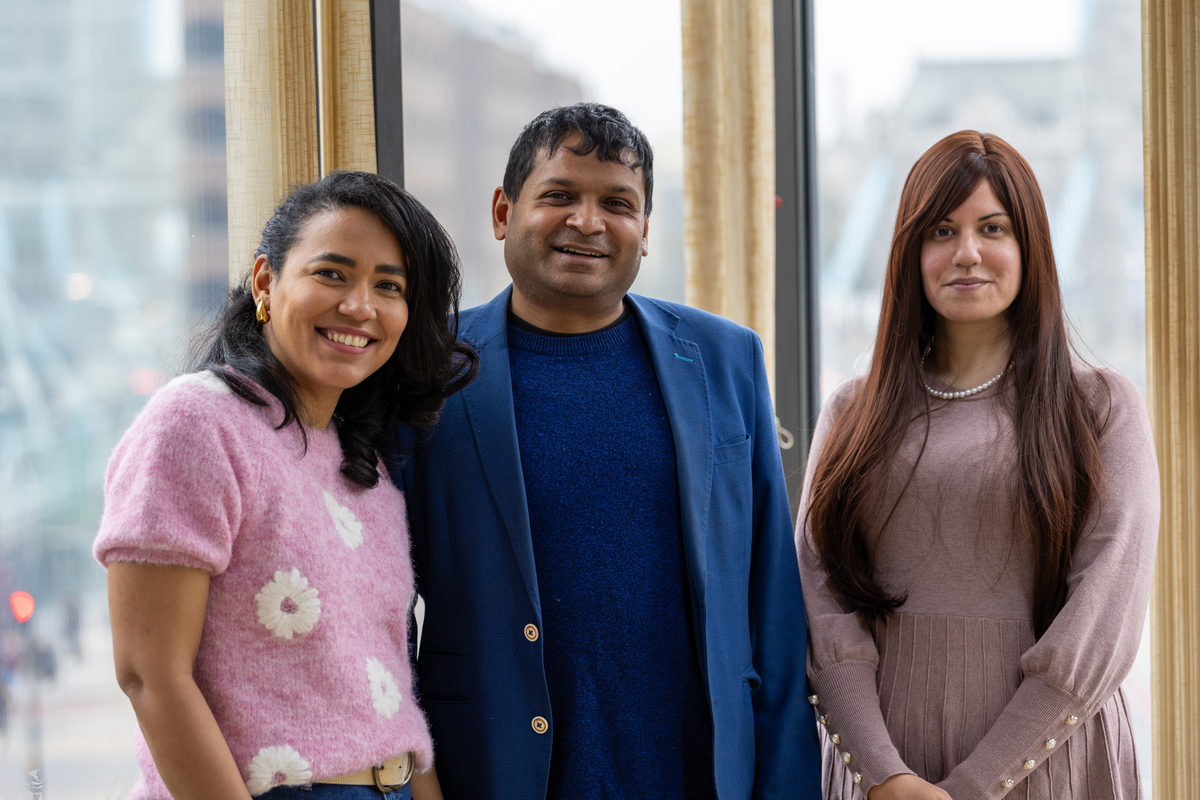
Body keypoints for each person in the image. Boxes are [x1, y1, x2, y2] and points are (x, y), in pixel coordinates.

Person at [393, 102, 821, 800]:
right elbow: (378, 605)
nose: (587, 222)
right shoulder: (427, 368)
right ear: (503, 211)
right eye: (559, 195)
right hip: (494, 774)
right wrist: (416, 780)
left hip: (699, 776)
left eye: (617, 204)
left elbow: (772, 604)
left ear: (645, 231)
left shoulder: (725, 357)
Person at [797, 131, 1159, 800]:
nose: (966, 253)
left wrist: (971, 786)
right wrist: (885, 777)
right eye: (940, 230)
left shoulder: (1101, 407)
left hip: (1048, 764)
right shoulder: (850, 412)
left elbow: (1102, 620)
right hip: (879, 773)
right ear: (911, 253)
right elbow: (821, 604)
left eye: (993, 228)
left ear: (1030, 249)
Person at [94, 171, 477, 800]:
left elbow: (388, 692)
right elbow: (148, 676)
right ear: (266, 281)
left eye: (389, 286)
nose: (359, 306)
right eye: (332, 274)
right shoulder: (197, 422)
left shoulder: (365, 466)